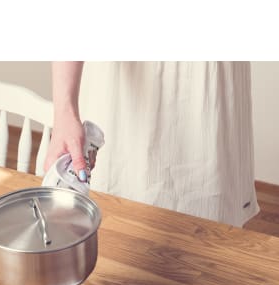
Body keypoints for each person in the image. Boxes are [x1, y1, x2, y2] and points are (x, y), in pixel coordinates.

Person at [45, 61, 259, 227]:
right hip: (122, 95)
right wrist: (64, 113)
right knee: (110, 228)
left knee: (210, 236)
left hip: (208, 89)